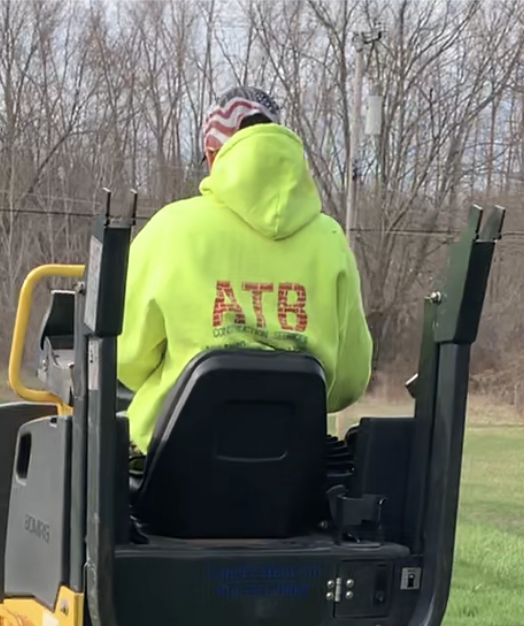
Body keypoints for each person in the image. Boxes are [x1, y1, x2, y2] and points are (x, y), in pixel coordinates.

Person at [117, 85, 374, 454]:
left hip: (168, 479)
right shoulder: (330, 240)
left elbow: (125, 358)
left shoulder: (172, 229)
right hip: (291, 479)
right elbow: (347, 381)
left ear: (212, 154)